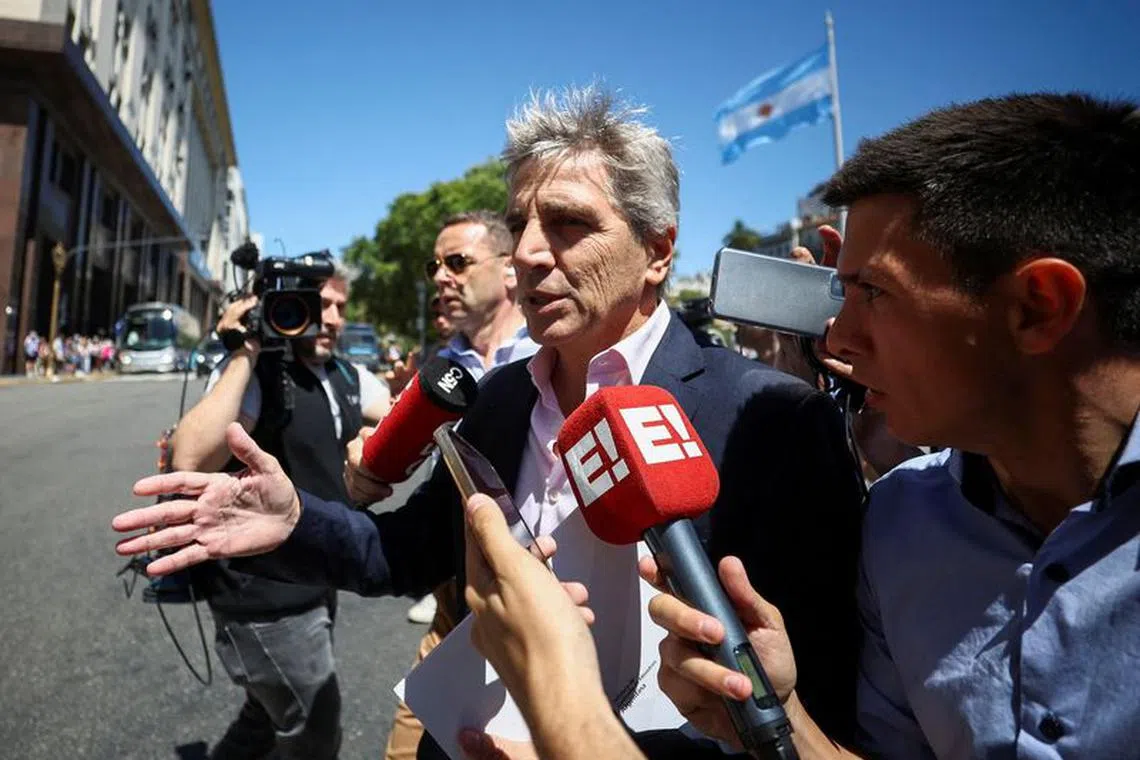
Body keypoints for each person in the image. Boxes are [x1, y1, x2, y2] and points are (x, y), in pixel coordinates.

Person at [112, 86, 864, 756]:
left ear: (658, 250)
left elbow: (813, 711)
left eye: (568, 223)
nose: (530, 254)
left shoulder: (775, 419)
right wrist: (294, 520)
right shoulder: (498, 398)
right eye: (521, 226)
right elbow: (405, 553)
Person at [646, 92, 1140, 758]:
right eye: (840, 292)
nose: (838, 337)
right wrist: (776, 714)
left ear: (1038, 306)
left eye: (874, 292)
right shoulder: (900, 520)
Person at [168, 260, 390, 760]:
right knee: (314, 727)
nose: (330, 318)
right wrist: (244, 349)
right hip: (261, 594)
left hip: (318, 574)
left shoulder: (345, 373)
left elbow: (396, 413)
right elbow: (191, 456)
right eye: (319, 304)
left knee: (264, 716)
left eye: (339, 306)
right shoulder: (257, 372)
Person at [367, 209, 539, 760]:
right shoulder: (438, 367)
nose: (441, 277)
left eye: (458, 262)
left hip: (546, 606)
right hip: (452, 607)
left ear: (509, 270)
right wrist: (368, 464)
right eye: (434, 266)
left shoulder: (551, 358)